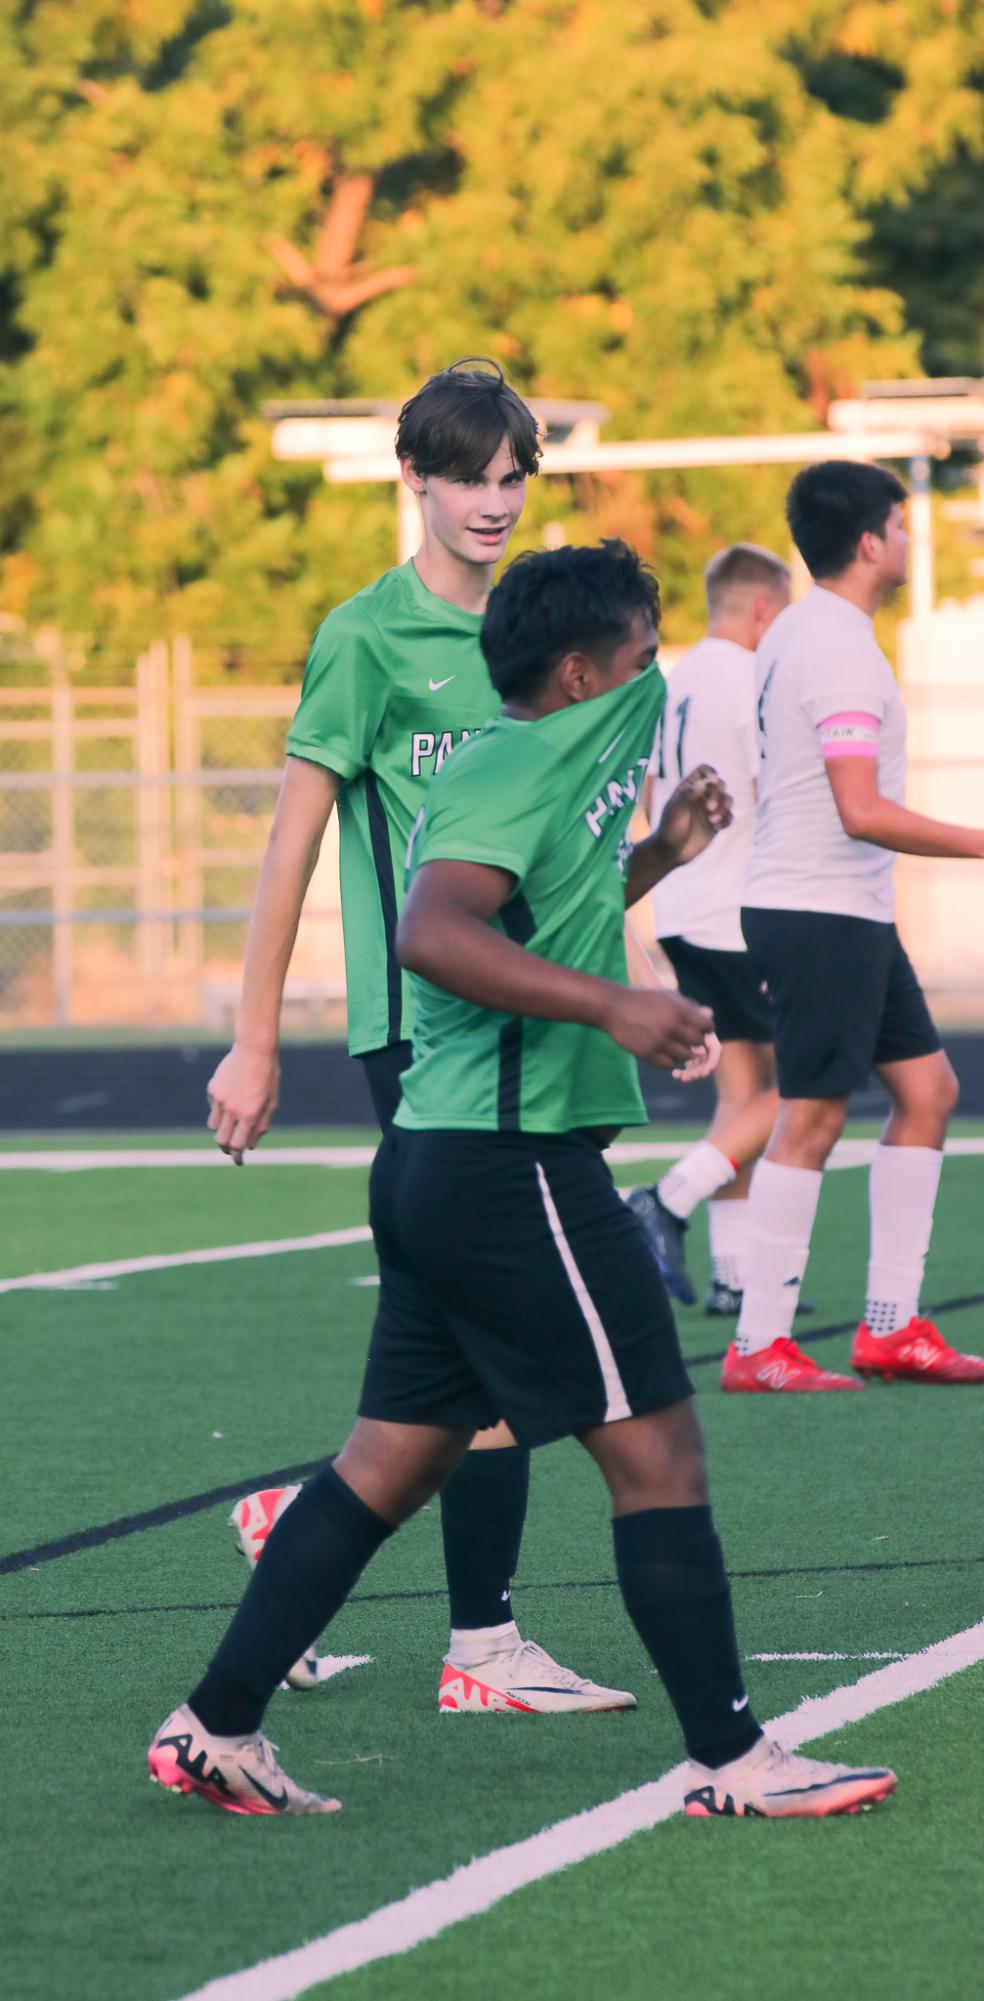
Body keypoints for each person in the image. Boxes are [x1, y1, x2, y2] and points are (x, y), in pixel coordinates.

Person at [148, 539, 896, 1819]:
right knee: (658, 1452)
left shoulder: (562, 755)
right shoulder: (510, 759)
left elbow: (540, 906)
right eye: (640, 656)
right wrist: (615, 1007)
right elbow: (435, 931)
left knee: (386, 1464)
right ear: (575, 671)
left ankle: (215, 1725)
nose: (657, 675)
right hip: (508, 1172)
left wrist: (657, 855)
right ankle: (733, 1759)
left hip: (453, 1165)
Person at [205, 358, 634, 1711]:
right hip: (426, 1038)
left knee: (450, 1355)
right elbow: (290, 849)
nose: (495, 500)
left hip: (532, 1044)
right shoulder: (366, 637)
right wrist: (254, 1038)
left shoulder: (541, 632)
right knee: (505, 1344)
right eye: (469, 476)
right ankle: (480, 1646)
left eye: (516, 477)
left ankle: (306, 1524)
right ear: (416, 479)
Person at [724, 459, 984, 1392]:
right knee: (814, 1117)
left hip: (848, 911)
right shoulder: (832, 642)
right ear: (870, 541)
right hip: (816, 910)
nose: (911, 541)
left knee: (928, 1091)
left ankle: (890, 1327)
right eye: (904, 526)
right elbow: (860, 809)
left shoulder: (814, 631)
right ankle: (757, 1345)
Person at [626, 544, 791, 1314]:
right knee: (792, 1094)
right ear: (762, 607)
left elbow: (657, 792)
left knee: (742, 1093)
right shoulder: (751, 675)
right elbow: (773, 788)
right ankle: (666, 1197)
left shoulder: (675, 678)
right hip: (738, 910)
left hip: (684, 904)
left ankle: (734, 1276)